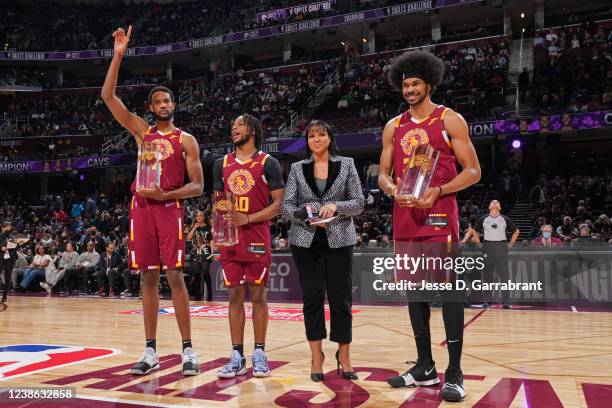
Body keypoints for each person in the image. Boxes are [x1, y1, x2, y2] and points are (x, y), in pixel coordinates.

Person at [378, 50, 481, 402]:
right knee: (415, 292)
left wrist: (438, 189)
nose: (409, 90)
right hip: (405, 217)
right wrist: (394, 190)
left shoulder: (449, 120)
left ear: (429, 83)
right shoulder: (393, 126)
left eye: (415, 84)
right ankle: (424, 366)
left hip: (439, 216)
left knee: (450, 291)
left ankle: (454, 371)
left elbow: (472, 171)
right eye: (405, 85)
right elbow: (382, 174)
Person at [101, 25, 204, 376]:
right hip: (141, 208)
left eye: (168, 101)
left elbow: (198, 187)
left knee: (174, 276)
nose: (164, 105)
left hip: (169, 208)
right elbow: (109, 98)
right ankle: (150, 351)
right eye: (158, 102)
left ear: (174, 106)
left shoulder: (186, 140)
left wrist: (168, 194)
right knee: (147, 277)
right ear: (150, 107)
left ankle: (188, 350)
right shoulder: (141, 131)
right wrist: (117, 55)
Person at [281, 120, 364, 382]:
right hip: (305, 241)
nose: (316, 139)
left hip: (340, 238)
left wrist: (336, 207)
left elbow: (359, 203)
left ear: (329, 138)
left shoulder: (347, 164)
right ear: (307, 141)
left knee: (341, 299)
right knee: (312, 299)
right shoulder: (296, 168)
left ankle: (345, 354)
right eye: (311, 136)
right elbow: (286, 206)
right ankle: (317, 357)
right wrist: (306, 214)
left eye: (321, 135)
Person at [213, 114, 285, 378]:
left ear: (253, 130)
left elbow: (279, 205)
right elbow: (219, 202)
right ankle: (236, 355)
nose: (234, 128)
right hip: (230, 240)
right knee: (233, 297)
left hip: (256, 236)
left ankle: (260, 353)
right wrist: (217, 229)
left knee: (258, 296)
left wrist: (248, 218)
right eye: (232, 125)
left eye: (239, 125)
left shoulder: (269, 163)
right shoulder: (221, 163)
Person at [473, 200, 520, 308]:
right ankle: (487, 301)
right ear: (489, 206)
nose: (494, 202)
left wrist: (510, 244)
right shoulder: (483, 219)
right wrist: (478, 243)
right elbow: (475, 231)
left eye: (496, 202)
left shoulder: (505, 219)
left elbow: (516, 231)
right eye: (492, 202)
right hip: (488, 246)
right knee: (487, 275)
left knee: (504, 275)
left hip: (501, 246)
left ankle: (506, 302)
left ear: (500, 207)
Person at [187, 211, 213, 301]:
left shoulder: (209, 227)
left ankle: (210, 295)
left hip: (206, 252)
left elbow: (211, 240)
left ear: (204, 217)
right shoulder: (194, 227)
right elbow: (188, 238)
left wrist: (213, 252)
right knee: (197, 274)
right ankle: (197, 296)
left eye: (201, 215)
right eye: (197, 216)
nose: (199, 217)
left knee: (206, 273)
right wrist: (194, 227)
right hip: (196, 253)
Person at [0, 221, 17, 303]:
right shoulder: (0, 235)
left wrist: (19, 244)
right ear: (3, 227)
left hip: (10, 258)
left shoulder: (12, 236)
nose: (10, 227)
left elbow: (14, 248)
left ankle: (5, 296)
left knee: (8, 277)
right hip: (1, 257)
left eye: (10, 226)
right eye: (8, 226)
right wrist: (1, 248)